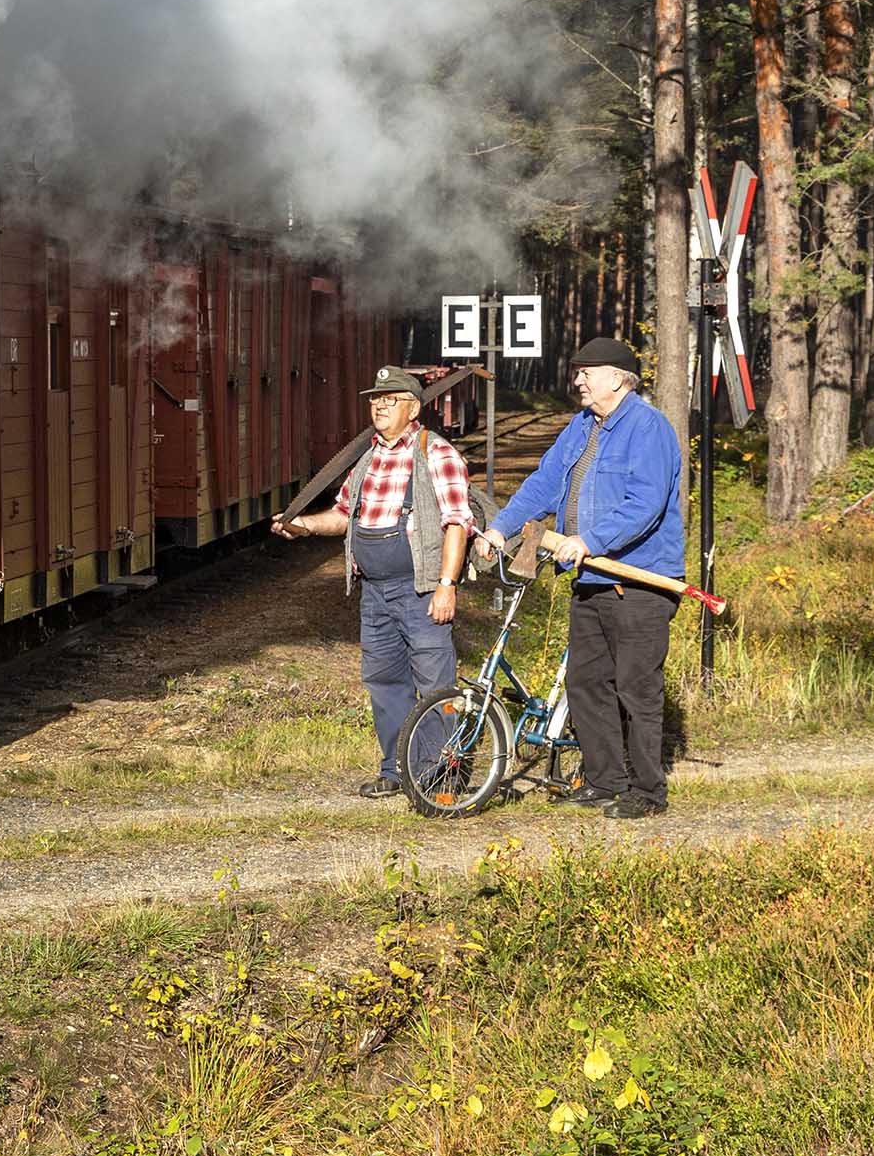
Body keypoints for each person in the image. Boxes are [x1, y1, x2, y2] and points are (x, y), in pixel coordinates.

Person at [474, 336, 686, 819]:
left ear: (617, 378)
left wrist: (590, 540)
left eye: (585, 373)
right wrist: (499, 527)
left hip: (639, 582)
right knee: (586, 683)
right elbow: (545, 483)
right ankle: (604, 779)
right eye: (577, 372)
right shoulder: (581, 427)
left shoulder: (648, 429)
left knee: (636, 688)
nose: (577, 381)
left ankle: (648, 792)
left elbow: (645, 505)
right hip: (589, 578)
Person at [273, 366, 476, 800]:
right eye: (375, 399)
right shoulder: (368, 457)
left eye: (391, 398)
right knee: (385, 683)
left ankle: (442, 775)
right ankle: (397, 769)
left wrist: (447, 584)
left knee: (436, 686)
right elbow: (344, 515)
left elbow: (457, 522)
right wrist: (305, 526)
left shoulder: (434, 452)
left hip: (420, 589)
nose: (379, 405)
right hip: (375, 593)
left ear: (413, 408)